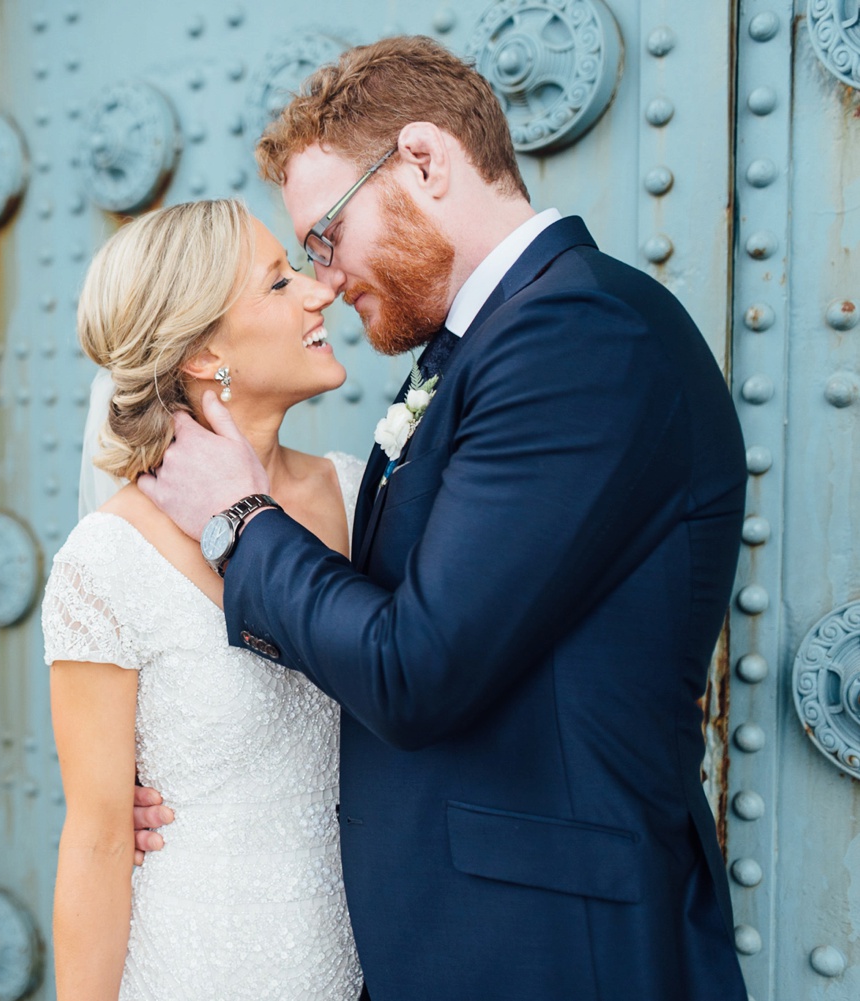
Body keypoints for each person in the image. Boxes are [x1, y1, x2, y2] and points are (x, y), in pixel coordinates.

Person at [133, 37, 750, 1001]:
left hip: (554, 952)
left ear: (423, 161)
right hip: (469, 940)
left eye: (327, 234)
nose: (327, 279)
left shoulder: (580, 336)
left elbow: (416, 668)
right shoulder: (489, 350)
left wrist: (239, 517)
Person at [44, 198, 366, 1000]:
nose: (319, 291)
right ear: (203, 352)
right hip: (197, 964)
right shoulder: (107, 559)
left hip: (371, 964)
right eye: (279, 283)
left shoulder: (363, 497)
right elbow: (96, 839)